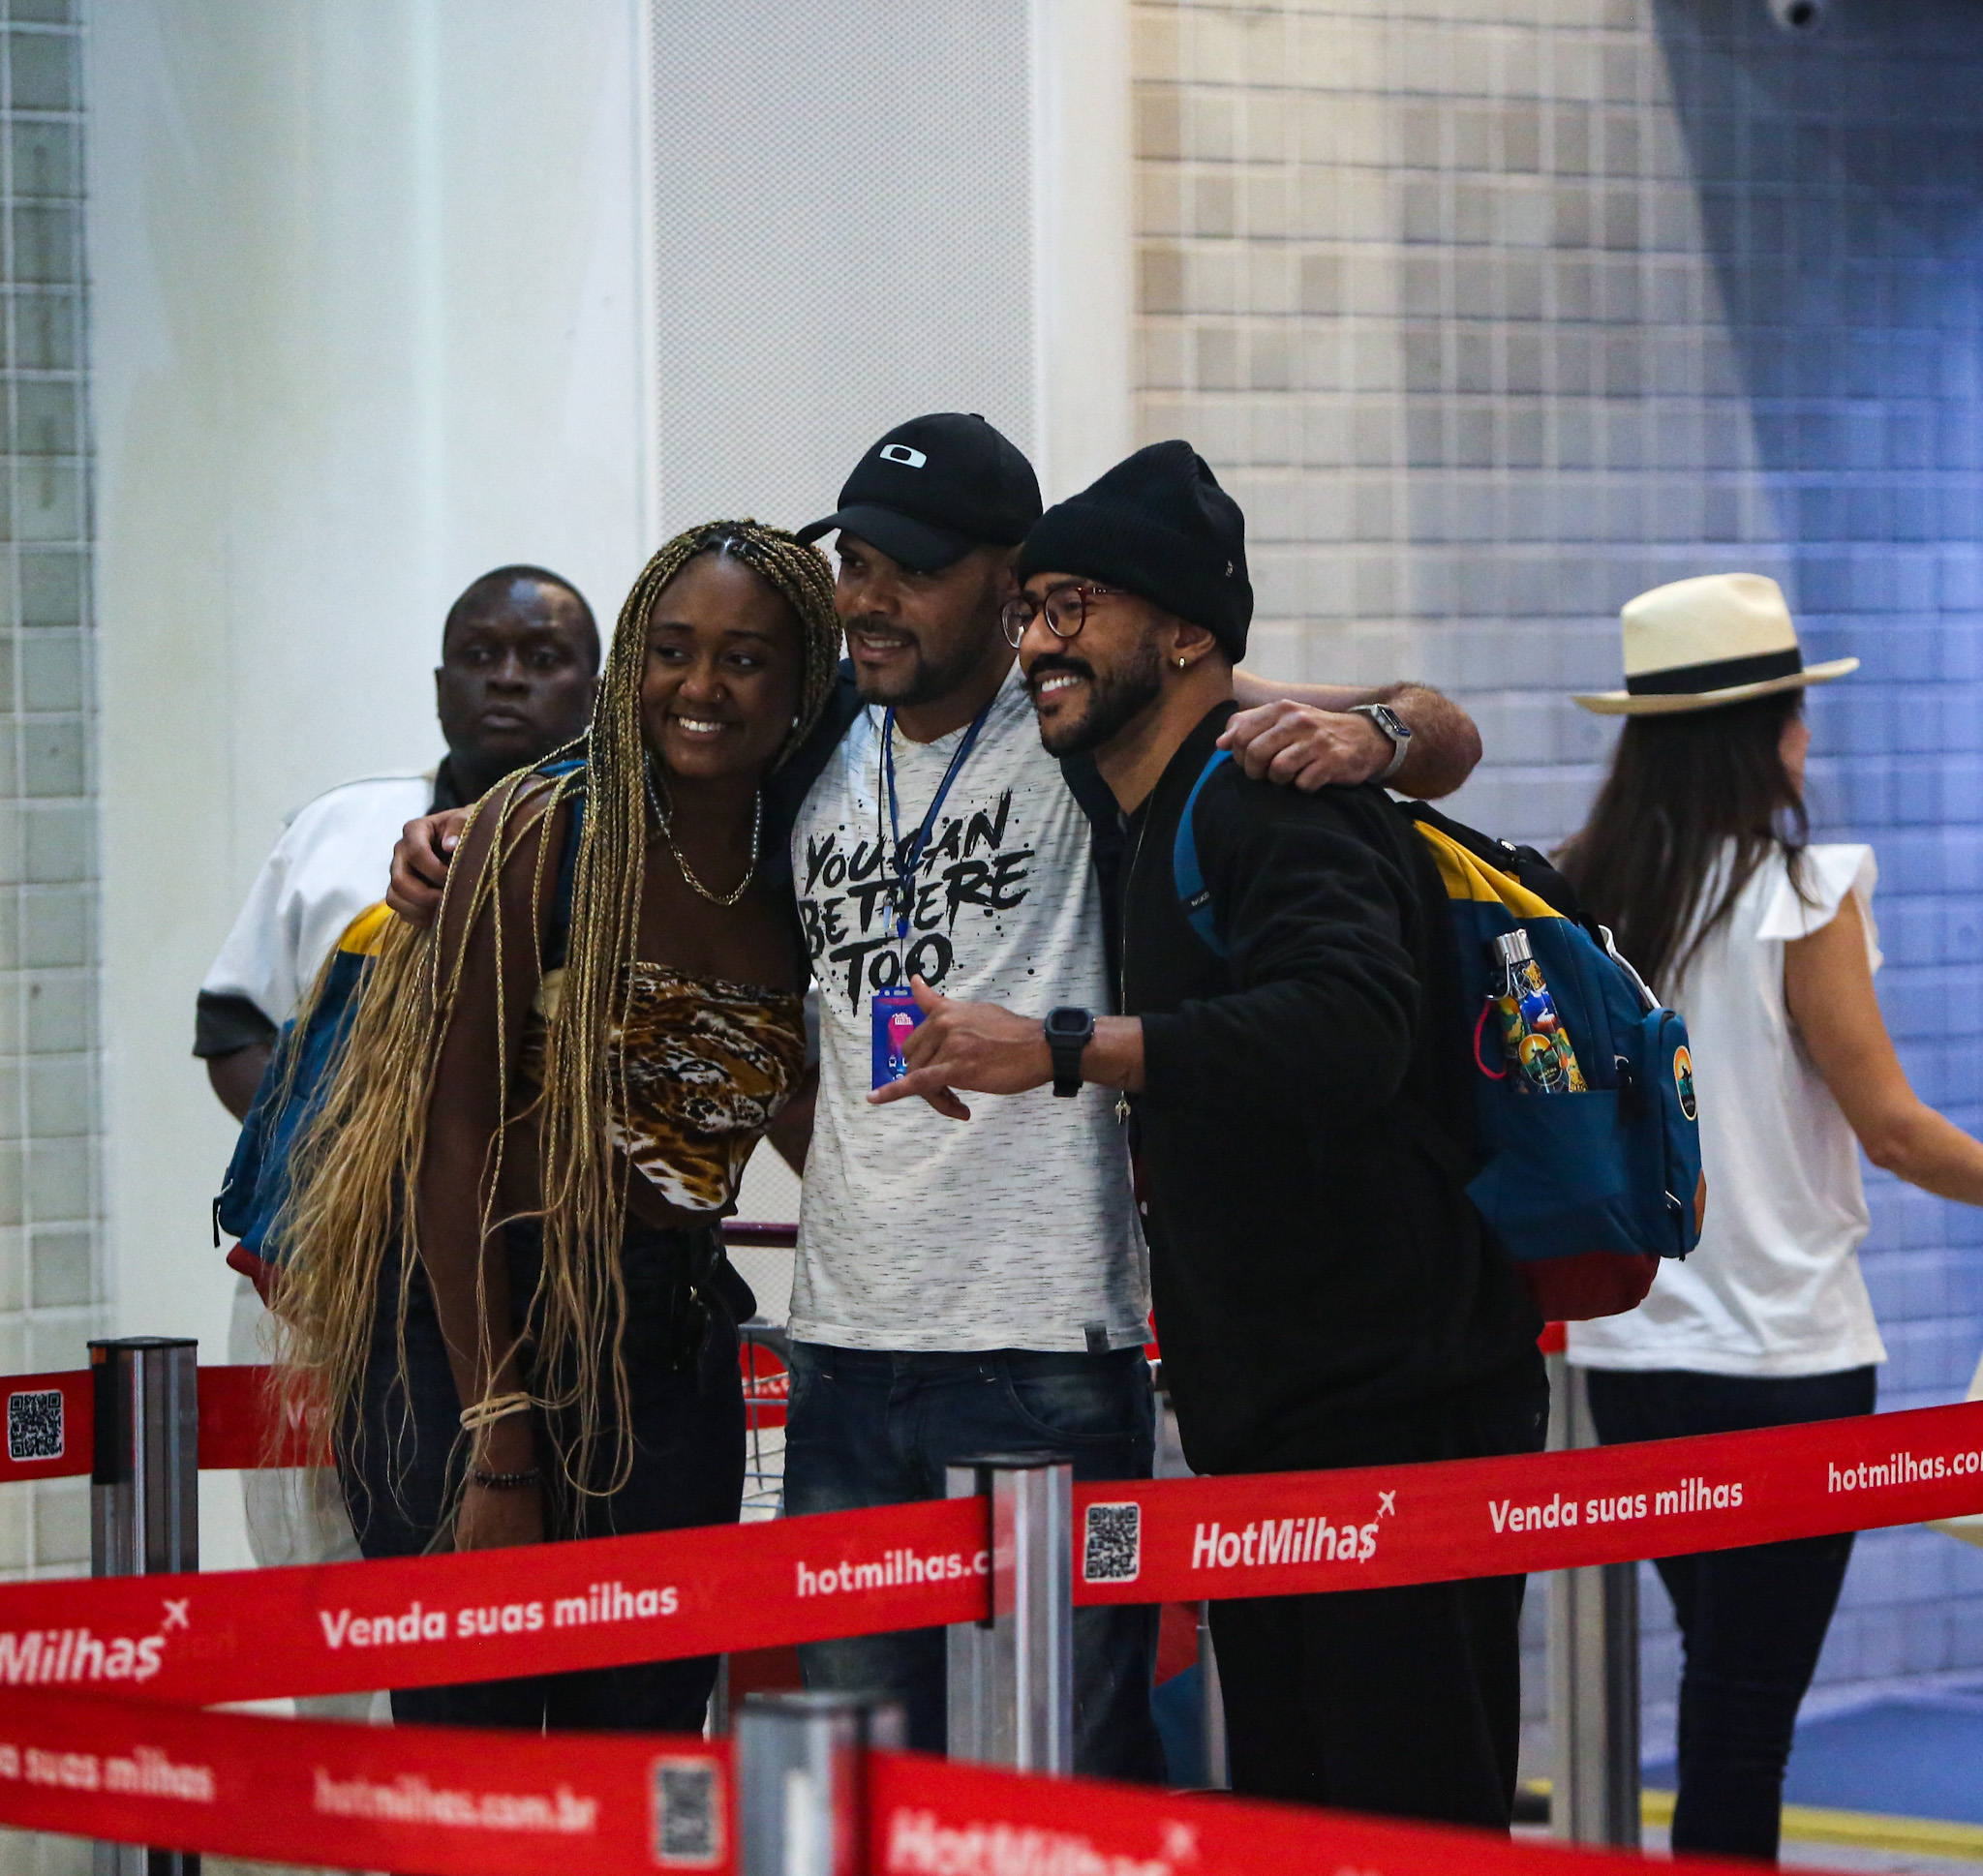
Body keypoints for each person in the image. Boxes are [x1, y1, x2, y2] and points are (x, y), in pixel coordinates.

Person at [386, 412, 1487, 1775]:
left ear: (1009, 580)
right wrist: (456, 824)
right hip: (843, 1353)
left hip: (1040, 1350)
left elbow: (1434, 734)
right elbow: (645, 758)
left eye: (908, 566)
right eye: (854, 561)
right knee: (866, 1786)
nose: (867, 595)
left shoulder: (1086, 715)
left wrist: (1382, 731)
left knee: (1061, 1775)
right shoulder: (820, 742)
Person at [869, 439, 1547, 1825]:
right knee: (1294, 1816)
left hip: (1399, 1409)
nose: (1041, 643)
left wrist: (1061, 1049)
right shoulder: (1120, 796)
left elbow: (1348, 1031)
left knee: (1409, 1827)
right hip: (1266, 1415)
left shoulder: (1271, 797)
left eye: (1077, 608)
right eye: (1031, 609)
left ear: (1185, 632)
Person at [275, 522, 842, 1733]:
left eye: (744, 658)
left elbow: (793, 1106)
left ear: (803, 686)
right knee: (475, 1783)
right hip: (467, 1344)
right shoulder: (544, 833)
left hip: (665, 1347)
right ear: (630, 660)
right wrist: (497, 1441)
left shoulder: (806, 859)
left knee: (638, 1764)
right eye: (673, 649)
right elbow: (459, 1145)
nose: (699, 687)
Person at [1559, 573, 1983, 1863]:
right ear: (1771, 733)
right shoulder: (1803, 894)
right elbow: (1895, 1127)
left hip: (1631, 1357)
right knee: (1746, 1719)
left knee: (1722, 1685)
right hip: (1787, 1359)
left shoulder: (1582, 895)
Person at [197, 564, 598, 1721]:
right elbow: (231, 1022)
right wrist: (338, 1167)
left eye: (543, 656)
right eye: (482, 655)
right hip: (322, 1278)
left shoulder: (630, 848)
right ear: (439, 681)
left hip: (527, 1284)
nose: (509, 679)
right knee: (325, 1582)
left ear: (595, 683)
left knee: (517, 1613)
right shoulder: (341, 832)